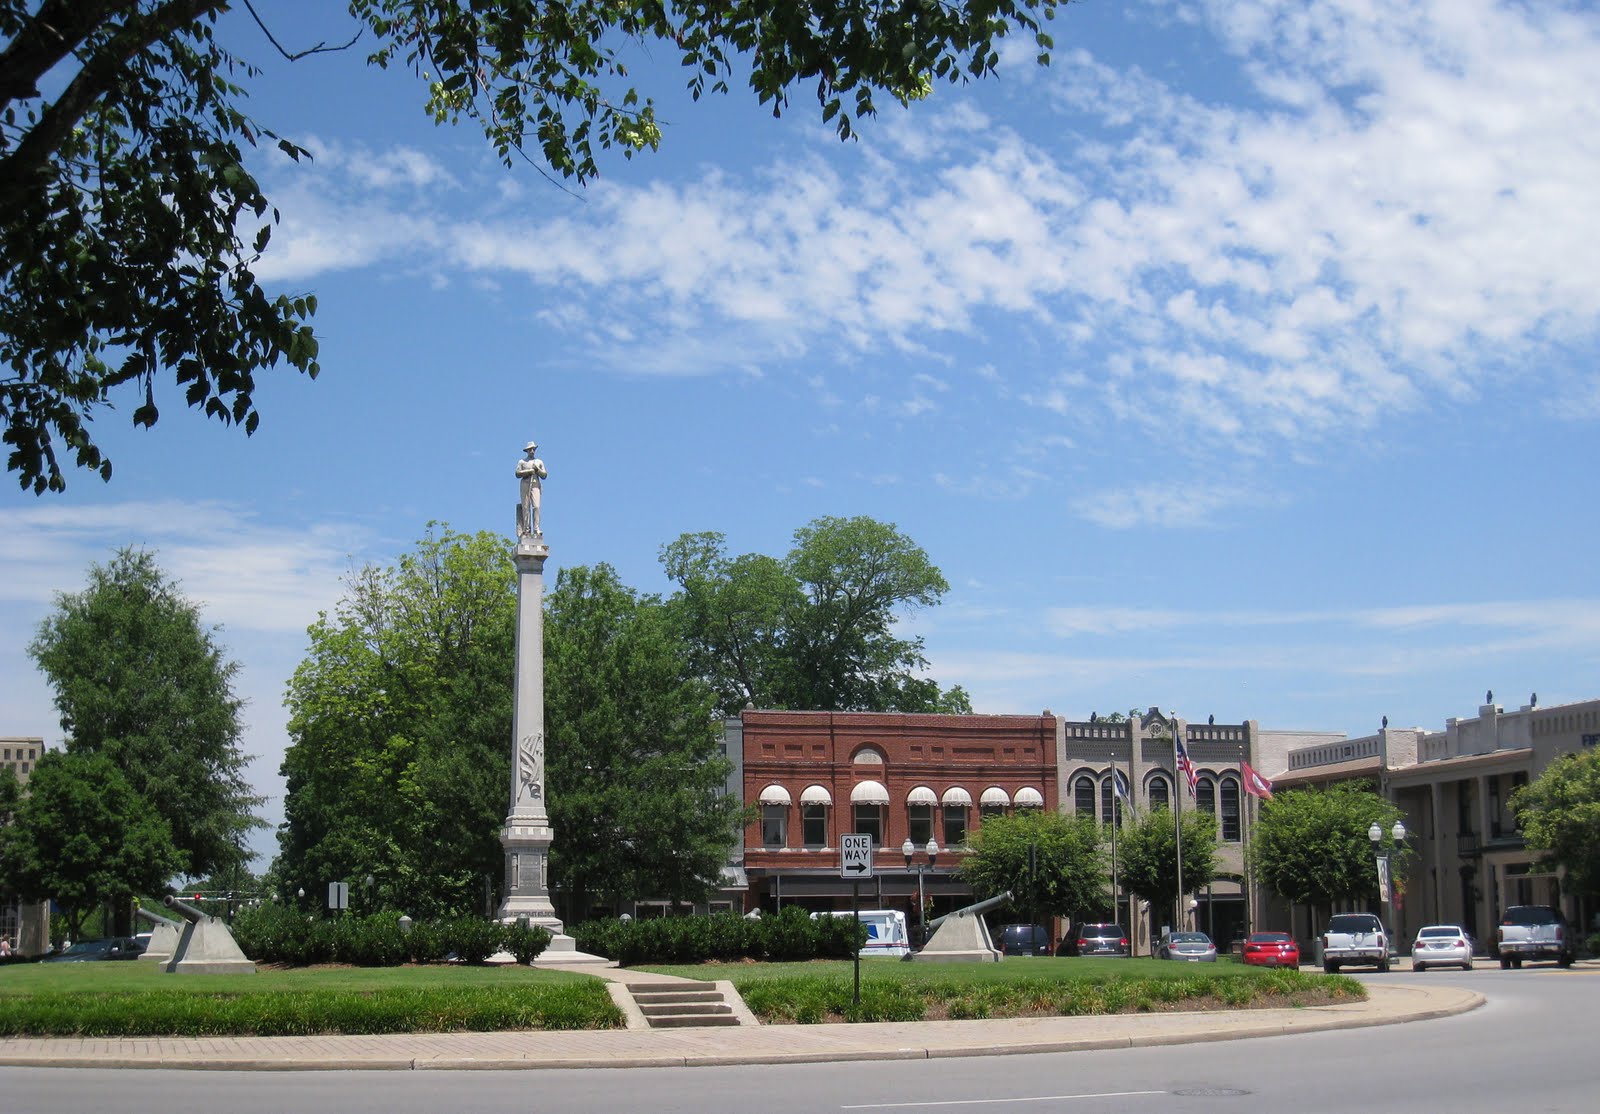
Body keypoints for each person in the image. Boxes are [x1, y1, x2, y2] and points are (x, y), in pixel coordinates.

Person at [515, 441, 547, 538]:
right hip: (525, 483)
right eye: (530, 449)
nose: (532, 451)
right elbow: (517, 473)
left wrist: (537, 470)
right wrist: (528, 471)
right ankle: (526, 529)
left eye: (533, 449)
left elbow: (544, 475)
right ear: (527, 451)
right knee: (526, 507)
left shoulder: (539, 461)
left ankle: (536, 528)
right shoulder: (522, 462)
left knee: (536, 506)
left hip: (535, 484)